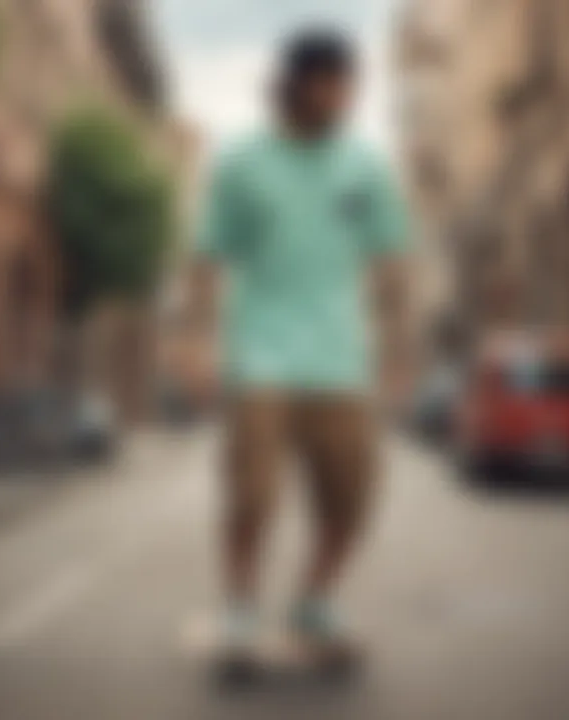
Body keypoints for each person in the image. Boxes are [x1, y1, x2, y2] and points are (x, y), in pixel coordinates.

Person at [191, 27, 410, 659]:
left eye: (353, 83)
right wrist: (195, 342)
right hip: (259, 354)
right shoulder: (240, 161)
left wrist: (398, 349)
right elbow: (207, 259)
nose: (348, 96)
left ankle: (314, 601)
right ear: (299, 83)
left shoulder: (366, 164)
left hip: (340, 358)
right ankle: (238, 608)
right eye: (337, 83)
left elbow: (392, 261)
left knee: (354, 495)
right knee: (251, 493)